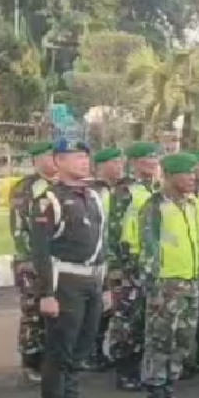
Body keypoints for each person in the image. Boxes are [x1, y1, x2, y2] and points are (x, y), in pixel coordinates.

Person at [30, 140, 107, 398]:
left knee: (79, 354)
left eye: (86, 156)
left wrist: (106, 286)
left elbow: (102, 244)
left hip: (91, 281)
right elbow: (41, 250)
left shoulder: (93, 197)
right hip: (66, 281)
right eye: (76, 157)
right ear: (58, 161)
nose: (84, 162)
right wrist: (47, 293)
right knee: (59, 355)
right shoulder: (48, 199)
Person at [135, 153, 199, 398]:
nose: (191, 179)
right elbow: (148, 248)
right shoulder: (154, 206)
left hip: (190, 279)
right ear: (171, 176)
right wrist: (154, 286)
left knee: (182, 340)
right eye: (186, 174)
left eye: (192, 174)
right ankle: (155, 394)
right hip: (166, 284)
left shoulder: (191, 204)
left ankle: (170, 389)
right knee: (160, 340)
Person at [107, 142, 160, 392]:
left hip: (151, 263)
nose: (152, 163)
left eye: (154, 158)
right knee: (127, 317)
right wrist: (116, 265)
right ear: (136, 163)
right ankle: (123, 368)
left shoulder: (154, 190)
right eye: (147, 159)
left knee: (145, 317)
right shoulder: (125, 191)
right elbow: (113, 229)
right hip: (130, 263)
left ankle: (139, 366)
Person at [10, 141, 56, 384]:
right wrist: (31, 258)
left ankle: (49, 358)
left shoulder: (61, 186)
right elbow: (21, 229)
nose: (53, 160)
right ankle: (30, 361)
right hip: (30, 260)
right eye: (48, 156)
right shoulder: (27, 188)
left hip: (55, 260)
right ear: (37, 161)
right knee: (33, 312)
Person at [85, 147, 124, 372]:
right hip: (96, 256)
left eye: (120, 162)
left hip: (116, 255)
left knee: (111, 305)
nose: (119, 166)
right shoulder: (93, 191)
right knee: (96, 305)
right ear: (101, 166)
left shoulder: (121, 190)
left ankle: (99, 348)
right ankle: (90, 350)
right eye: (114, 162)